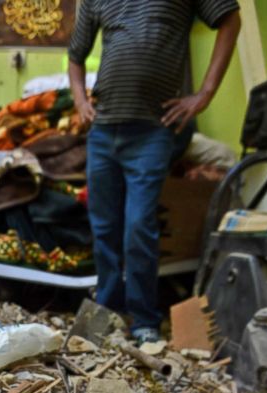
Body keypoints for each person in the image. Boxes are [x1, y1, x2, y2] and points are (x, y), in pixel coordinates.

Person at [68, 1, 241, 343]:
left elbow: (230, 20)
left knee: (138, 225)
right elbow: (76, 55)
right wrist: (79, 100)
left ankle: (145, 318)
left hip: (152, 130)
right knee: (104, 228)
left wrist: (204, 95)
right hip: (103, 131)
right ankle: (107, 311)